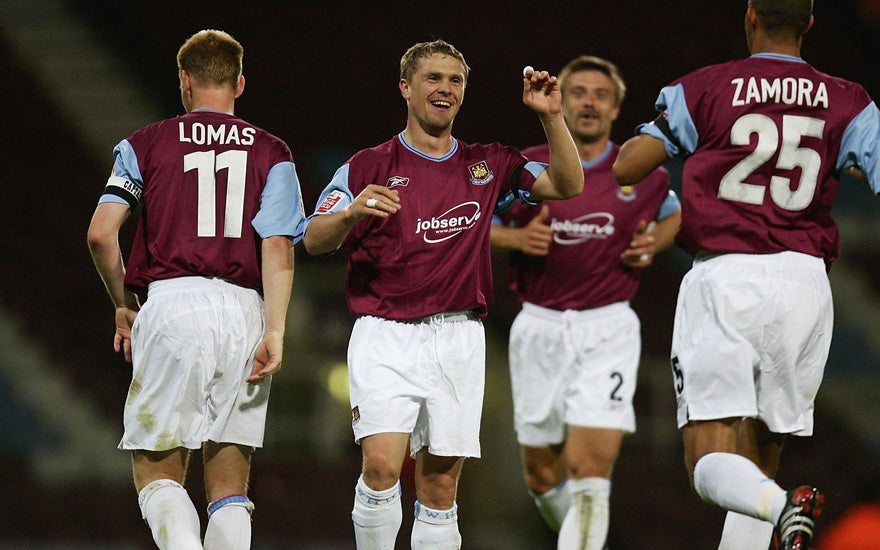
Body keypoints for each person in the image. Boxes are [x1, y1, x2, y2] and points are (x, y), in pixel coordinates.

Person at [612, 1, 880, 549]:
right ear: (809, 24)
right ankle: (776, 503)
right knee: (756, 464)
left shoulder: (706, 87)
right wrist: (839, 161)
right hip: (804, 286)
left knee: (710, 464)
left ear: (750, 16)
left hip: (727, 277)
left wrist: (676, 137)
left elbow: (629, 165)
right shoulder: (849, 100)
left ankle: (785, 504)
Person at [301, 39, 584, 549]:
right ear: (406, 88)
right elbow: (314, 238)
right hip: (384, 332)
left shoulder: (489, 163)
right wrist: (349, 212)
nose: (445, 89)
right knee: (384, 465)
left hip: (458, 338)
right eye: (433, 78)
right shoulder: (367, 166)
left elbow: (566, 185)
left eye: (455, 81)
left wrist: (551, 118)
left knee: (440, 485)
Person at [87, 29, 306, 550]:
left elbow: (100, 233)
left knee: (158, 473)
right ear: (240, 83)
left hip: (172, 304)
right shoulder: (273, 152)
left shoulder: (144, 143)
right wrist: (275, 328)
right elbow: (278, 246)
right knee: (229, 489)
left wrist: (123, 304)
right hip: (244, 311)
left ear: (184, 82)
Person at [489, 55, 680, 550]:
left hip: (608, 326)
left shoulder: (641, 172)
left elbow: (675, 214)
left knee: (590, 468)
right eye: (578, 92)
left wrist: (652, 243)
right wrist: (512, 242)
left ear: (617, 108)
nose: (589, 102)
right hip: (538, 325)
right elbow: (468, 222)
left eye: (601, 94)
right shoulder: (527, 165)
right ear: (562, 101)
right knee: (541, 475)